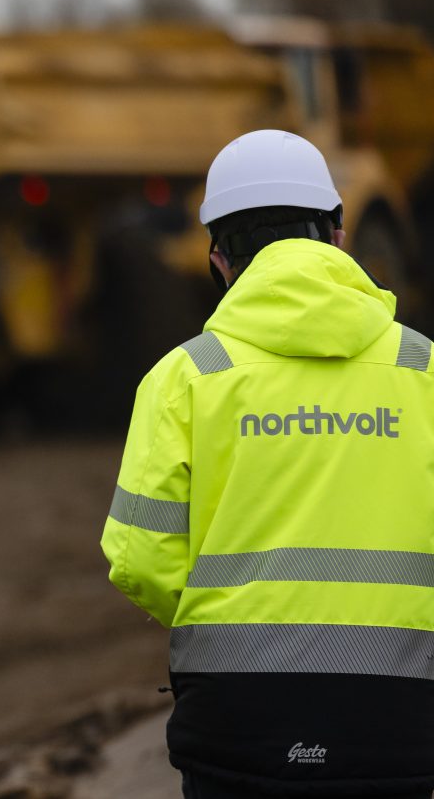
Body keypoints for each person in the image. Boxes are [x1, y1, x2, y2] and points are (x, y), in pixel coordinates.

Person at [102, 129, 434, 799]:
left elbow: (139, 559)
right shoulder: (423, 372)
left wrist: (228, 619)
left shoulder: (184, 379)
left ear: (218, 259)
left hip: (235, 723)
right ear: (338, 237)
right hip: (400, 723)